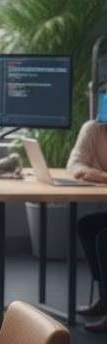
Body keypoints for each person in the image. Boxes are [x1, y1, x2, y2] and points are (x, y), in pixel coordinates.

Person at [68, 119, 107, 332]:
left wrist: (100, 175)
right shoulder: (93, 129)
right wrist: (87, 172)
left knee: (105, 238)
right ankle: (105, 298)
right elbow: (75, 164)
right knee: (88, 226)